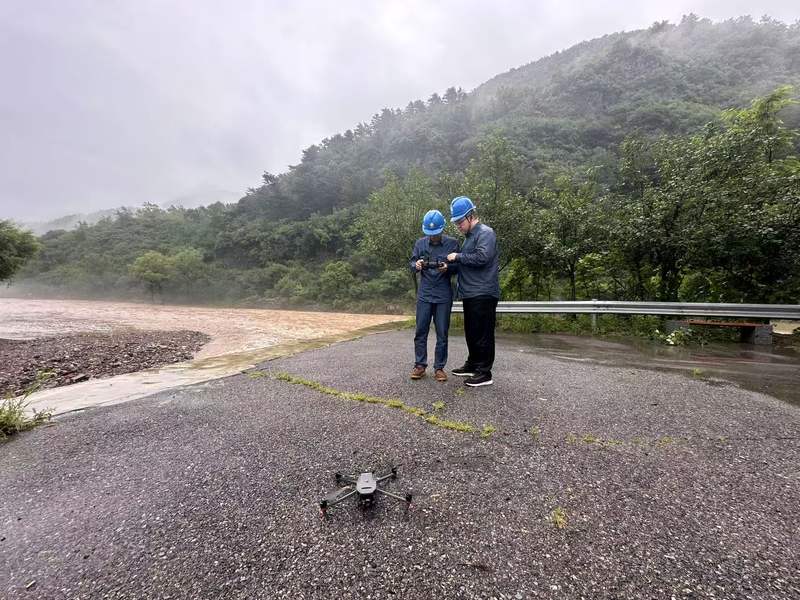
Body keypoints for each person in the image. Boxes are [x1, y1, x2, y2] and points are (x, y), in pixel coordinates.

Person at [445, 196, 499, 387]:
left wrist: (458, 256)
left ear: (470, 216)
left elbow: (482, 257)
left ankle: (484, 373)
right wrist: (450, 266)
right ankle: (473, 364)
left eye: (460, 221)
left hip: (483, 292)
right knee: (472, 332)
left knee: (483, 333)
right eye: (456, 222)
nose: (458, 225)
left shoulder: (485, 233)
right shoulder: (469, 237)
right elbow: (466, 264)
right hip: (470, 293)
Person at [409, 209, 459, 382]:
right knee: (420, 331)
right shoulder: (420, 244)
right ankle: (420, 365)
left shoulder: (452, 244)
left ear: (442, 229)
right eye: (430, 234)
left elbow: (459, 267)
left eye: (436, 233)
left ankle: (439, 368)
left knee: (442, 333)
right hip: (425, 293)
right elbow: (411, 263)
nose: (433, 237)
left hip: (443, 294)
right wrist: (416, 264)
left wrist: (449, 268)